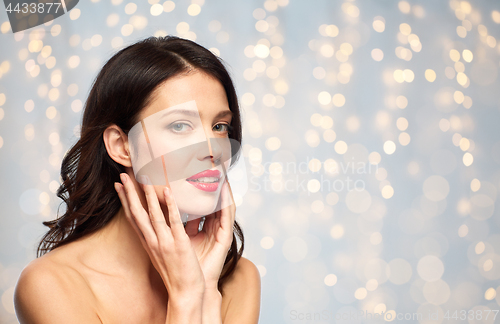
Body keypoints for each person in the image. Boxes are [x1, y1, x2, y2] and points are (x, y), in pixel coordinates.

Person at [13, 36, 261, 324]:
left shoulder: (238, 280)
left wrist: (205, 288)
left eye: (219, 126)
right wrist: (187, 296)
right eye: (180, 125)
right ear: (122, 146)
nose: (213, 151)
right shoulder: (53, 285)